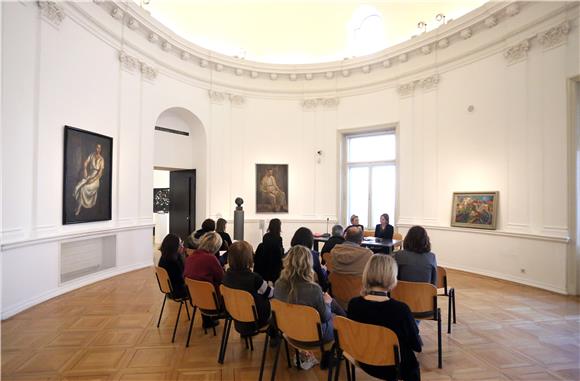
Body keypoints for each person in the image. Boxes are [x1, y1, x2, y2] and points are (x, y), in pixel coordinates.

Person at [348, 254, 422, 381]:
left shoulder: (354, 304)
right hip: (395, 367)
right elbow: (416, 345)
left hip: (364, 360)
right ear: (392, 277)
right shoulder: (401, 310)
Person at [274, 245, 345, 348]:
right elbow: (325, 317)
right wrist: (327, 303)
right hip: (314, 336)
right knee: (336, 316)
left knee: (331, 303)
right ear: (308, 264)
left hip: (289, 330)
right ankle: (336, 349)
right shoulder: (314, 289)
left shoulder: (279, 284)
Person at [222, 241, 273, 336]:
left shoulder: (226, 276)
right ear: (250, 258)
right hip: (257, 320)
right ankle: (274, 336)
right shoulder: (255, 278)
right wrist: (270, 285)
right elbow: (270, 294)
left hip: (236, 316)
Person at [184, 232, 224, 328]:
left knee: (204, 284)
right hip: (214, 303)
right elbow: (222, 279)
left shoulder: (190, 258)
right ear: (215, 246)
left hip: (196, 300)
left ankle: (208, 321)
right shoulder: (211, 259)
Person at [291, 227, 329, 291]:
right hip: (308, 290)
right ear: (310, 241)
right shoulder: (313, 255)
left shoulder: (287, 255)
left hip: (290, 288)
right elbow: (320, 277)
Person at [73, 143, 105, 216]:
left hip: (95, 179)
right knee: (78, 186)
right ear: (95, 148)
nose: (98, 149)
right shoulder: (92, 155)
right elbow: (85, 162)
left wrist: (92, 180)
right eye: (97, 147)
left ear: (100, 149)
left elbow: (100, 174)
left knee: (83, 188)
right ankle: (77, 204)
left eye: (99, 148)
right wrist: (85, 170)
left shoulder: (101, 159)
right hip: (89, 175)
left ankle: (78, 208)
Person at [157, 234, 188, 299]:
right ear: (174, 247)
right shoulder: (173, 262)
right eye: (180, 244)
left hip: (168, 291)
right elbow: (182, 280)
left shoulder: (163, 258)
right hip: (177, 291)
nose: (182, 245)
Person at [254, 219, 284, 283]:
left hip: (263, 267)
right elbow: (280, 255)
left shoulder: (265, 236)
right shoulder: (278, 239)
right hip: (274, 268)